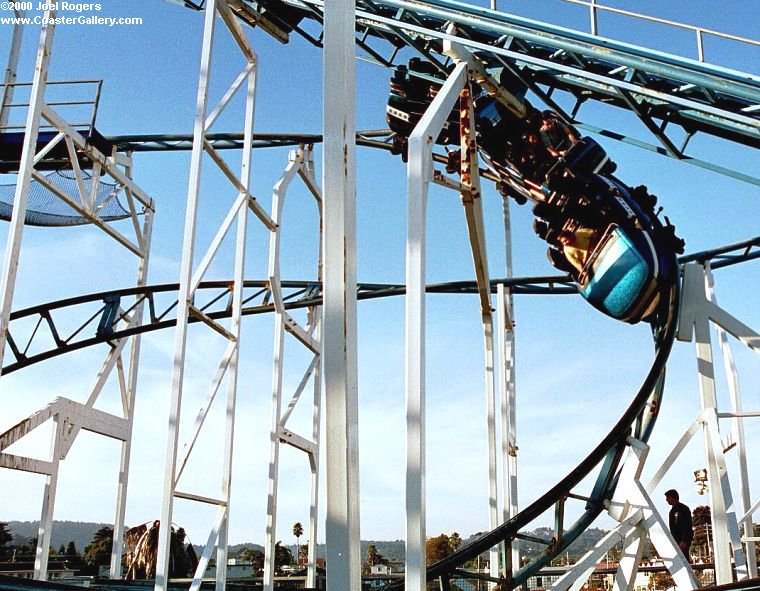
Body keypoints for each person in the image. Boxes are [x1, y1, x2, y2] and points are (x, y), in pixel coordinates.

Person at [665, 489, 694, 559]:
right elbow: (672, 528)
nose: (666, 500)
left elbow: (688, 525)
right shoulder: (672, 511)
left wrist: (684, 540)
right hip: (676, 539)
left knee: (684, 558)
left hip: (683, 539)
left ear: (673, 497)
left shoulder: (683, 509)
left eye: (668, 497)